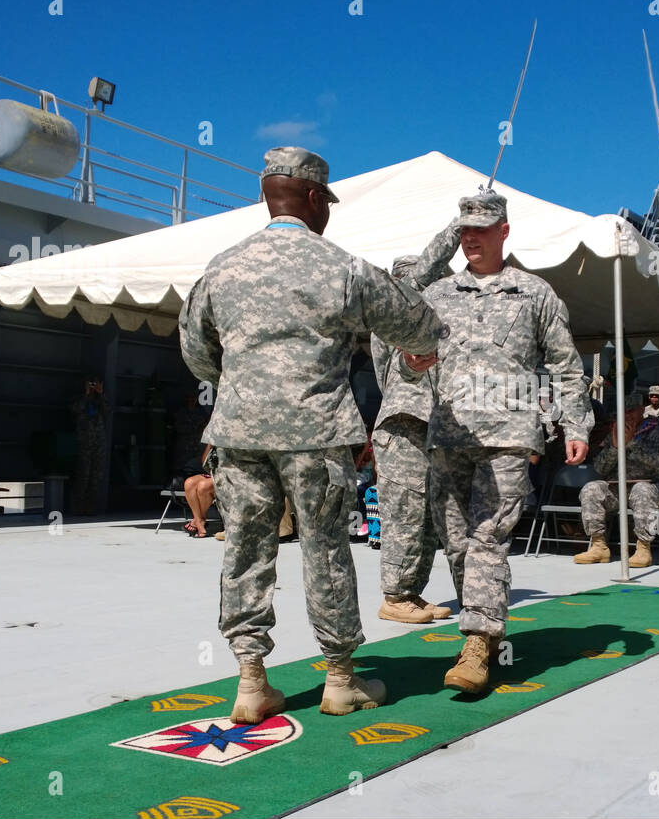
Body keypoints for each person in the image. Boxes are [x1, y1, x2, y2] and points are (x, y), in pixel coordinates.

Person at [178, 146, 445, 723]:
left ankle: (252, 684)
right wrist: (420, 353)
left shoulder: (221, 267)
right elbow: (420, 322)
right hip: (316, 436)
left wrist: (243, 383)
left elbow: (196, 353)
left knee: (245, 552)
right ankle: (340, 680)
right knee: (325, 552)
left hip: (240, 435)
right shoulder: (341, 266)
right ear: (315, 198)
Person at [401, 191, 592, 694]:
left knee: (489, 537)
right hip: (449, 434)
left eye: (481, 230)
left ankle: (479, 644)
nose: (471, 238)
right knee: (457, 542)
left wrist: (576, 426)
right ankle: (482, 624)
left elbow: (566, 367)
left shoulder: (534, 293)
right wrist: (413, 362)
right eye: (464, 230)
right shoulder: (439, 293)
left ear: (504, 231)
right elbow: (409, 356)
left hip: (507, 435)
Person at [370, 228, 460, 624]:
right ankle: (395, 595)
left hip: (429, 427)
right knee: (405, 512)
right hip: (403, 426)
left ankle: (410, 592)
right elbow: (425, 275)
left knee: (424, 516)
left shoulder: (421, 324)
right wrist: (460, 227)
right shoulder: (394, 315)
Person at [574, 399, 659, 567]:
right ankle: (598, 546)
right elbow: (600, 467)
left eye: (631, 411)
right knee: (591, 489)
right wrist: (614, 447)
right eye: (624, 411)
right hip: (618, 488)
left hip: (652, 487)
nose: (627, 415)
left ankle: (644, 548)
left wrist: (631, 443)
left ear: (641, 410)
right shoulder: (614, 433)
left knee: (642, 490)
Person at [69, 375, 110, 516]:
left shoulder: (100, 400)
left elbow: (108, 411)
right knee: (82, 476)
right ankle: (77, 507)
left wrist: (101, 394)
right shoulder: (80, 399)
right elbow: (74, 410)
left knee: (96, 477)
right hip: (84, 442)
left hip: (98, 443)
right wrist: (86, 395)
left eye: (95, 383)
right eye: (91, 383)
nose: (93, 386)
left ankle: (90, 507)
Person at [183, 444, 218, 537]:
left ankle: (197, 521)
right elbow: (204, 461)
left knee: (203, 486)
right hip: (214, 472)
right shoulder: (217, 434)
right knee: (189, 482)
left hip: (229, 473)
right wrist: (211, 444)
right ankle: (199, 520)